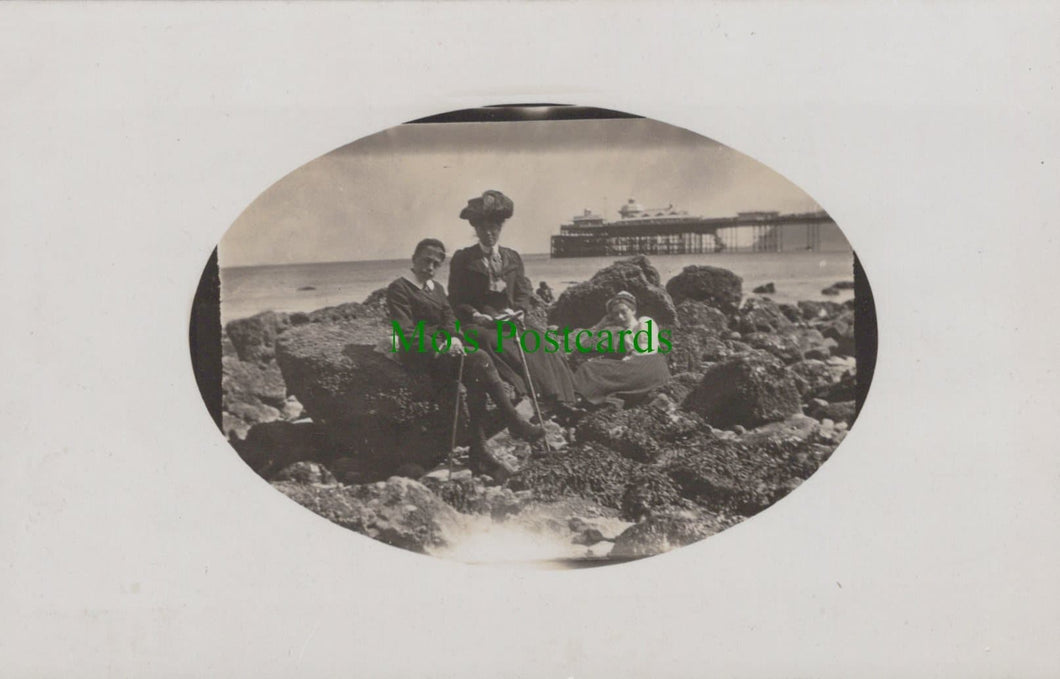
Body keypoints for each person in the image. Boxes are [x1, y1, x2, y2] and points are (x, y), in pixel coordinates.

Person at [386, 238, 543, 479]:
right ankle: (513, 421)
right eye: (426, 260)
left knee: (476, 380)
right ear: (413, 259)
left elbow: (449, 318)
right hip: (420, 353)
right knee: (479, 358)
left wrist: (455, 338)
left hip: (446, 352)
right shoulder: (400, 288)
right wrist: (440, 346)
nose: (430, 267)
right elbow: (405, 331)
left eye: (436, 263)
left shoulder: (436, 289)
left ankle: (479, 451)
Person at [448, 189, 576, 405]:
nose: (488, 233)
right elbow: (456, 298)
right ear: (476, 229)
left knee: (541, 342)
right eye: (483, 228)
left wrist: (519, 310)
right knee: (493, 342)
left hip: (511, 319)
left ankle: (563, 398)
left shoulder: (512, 257)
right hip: (480, 323)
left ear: (500, 228)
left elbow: (523, 290)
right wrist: (475, 314)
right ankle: (536, 394)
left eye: (493, 228)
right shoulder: (463, 259)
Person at [571, 291, 671, 405]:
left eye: (624, 312)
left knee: (589, 368)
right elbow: (583, 346)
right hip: (638, 369)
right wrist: (600, 325)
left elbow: (646, 349)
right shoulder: (621, 333)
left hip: (650, 365)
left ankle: (573, 398)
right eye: (615, 314)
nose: (620, 317)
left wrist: (623, 361)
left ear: (633, 310)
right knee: (593, 369)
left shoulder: (644, 321)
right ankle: (580, 399)